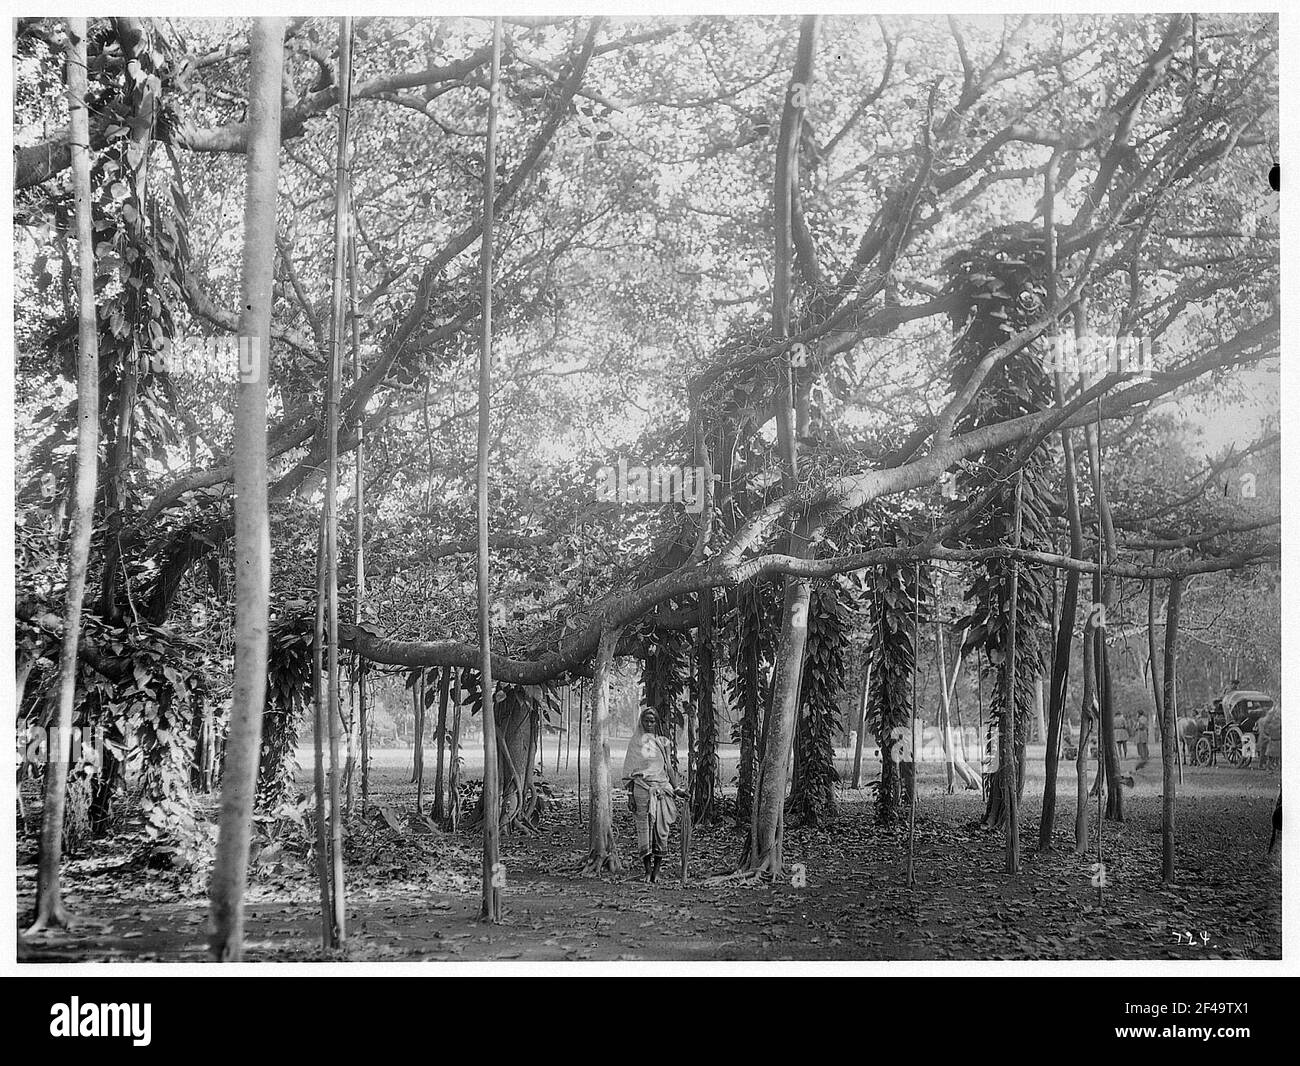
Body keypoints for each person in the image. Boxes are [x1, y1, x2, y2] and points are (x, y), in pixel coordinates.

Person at [621, 708, 685, 883]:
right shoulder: (635, 743)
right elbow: (630, 772)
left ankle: (657, 871)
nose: (649, 724)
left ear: (657, 722)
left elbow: (669, 767)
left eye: (652, 721)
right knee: (644, 831)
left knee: (661, 832)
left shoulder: (663, 742)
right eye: (646, 720)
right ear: (641, 721)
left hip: (662, 790)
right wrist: (630, 796)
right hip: (641, 790)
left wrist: (677, 788)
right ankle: (647, 871)